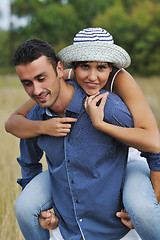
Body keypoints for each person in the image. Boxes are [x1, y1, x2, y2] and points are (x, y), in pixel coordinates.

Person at [5, 28, 160, 240]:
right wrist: (44, 127)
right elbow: (14, 125)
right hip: (72, 169)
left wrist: (100, 124)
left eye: (101, 67)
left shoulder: (117, 88)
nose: (92, 76)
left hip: (128, 158)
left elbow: (154, 145)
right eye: (84, 66)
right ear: (72, 67)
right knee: (25, 207)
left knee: (143, 210)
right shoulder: (43, 101)